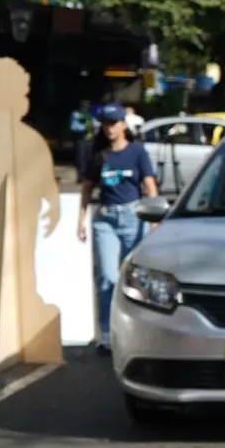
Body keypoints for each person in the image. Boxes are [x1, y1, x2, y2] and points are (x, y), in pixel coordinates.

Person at [78, 104, 158, 351]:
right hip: (106, 220)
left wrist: (154, 218)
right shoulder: (99, 154)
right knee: (107, 278)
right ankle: (105, 334)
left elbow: (149, 185)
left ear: (123, 125)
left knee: (134, 279)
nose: (110, 128)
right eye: (105, 124)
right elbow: (88, 187)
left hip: (134, 217)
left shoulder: (137, 152)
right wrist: (81, 219)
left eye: (114, 123)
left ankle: (138, 333)